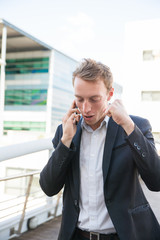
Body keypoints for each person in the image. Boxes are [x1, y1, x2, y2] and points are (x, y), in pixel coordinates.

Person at [39, 59, 160, 240]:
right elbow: (48, 187)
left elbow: (156, 180)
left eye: (94, 99)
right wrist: (65, 141)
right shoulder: (65, 130)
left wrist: (128, 126)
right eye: (79, 99)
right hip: (76, 235)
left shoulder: (136, 126)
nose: (86, 108)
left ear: (109, 94)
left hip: (125, 234)